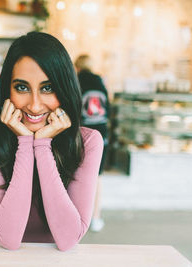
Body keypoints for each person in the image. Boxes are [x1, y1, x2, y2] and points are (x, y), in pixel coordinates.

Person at [0, 32, 103, 251]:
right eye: (22, 87)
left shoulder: (89, 142)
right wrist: (25, 142)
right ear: (7, 90)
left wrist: (42, 146)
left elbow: (68, 239)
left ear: (64, 89)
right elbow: (9, 238)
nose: (34, 105)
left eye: (47, 88)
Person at [75, 54, 110, 232]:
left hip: (81, 133)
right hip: (101, 134)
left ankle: (78, 217)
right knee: (97, 177)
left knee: (77, 173)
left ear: (77, 67)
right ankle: (95, 218)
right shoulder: (101, 83)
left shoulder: (76, 81)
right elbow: (108, 109)